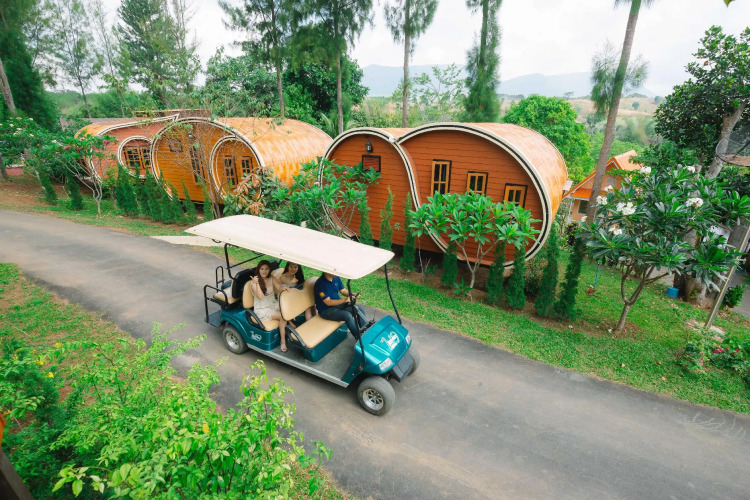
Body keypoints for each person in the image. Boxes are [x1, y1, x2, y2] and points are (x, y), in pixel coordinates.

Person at [314, 271, 369, 336]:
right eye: (334, 270)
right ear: (327, 271)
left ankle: (366, 332)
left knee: (359, 309)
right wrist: (344, 300)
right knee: (347, 315)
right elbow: (328, 302)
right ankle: (358, 337)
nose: (336, 271)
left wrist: (351, 294)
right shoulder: (320, 284)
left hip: (337, 305)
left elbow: (343, 291)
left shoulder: (336, 277)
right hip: (325, 310)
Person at [251, 260, 288, 352]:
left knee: (288, 309)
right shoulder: (254, 283)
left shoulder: (271, 277)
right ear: (258, 270)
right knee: (283, 316)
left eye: (266, 269)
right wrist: (257, 283)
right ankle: (283, 341)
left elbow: (279, 287)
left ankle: (292, 328)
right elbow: (260, 296)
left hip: (272, 303)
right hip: (262, 309)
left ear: (269, 269)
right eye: (262, 269)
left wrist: (284, 288)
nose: (264, 271)